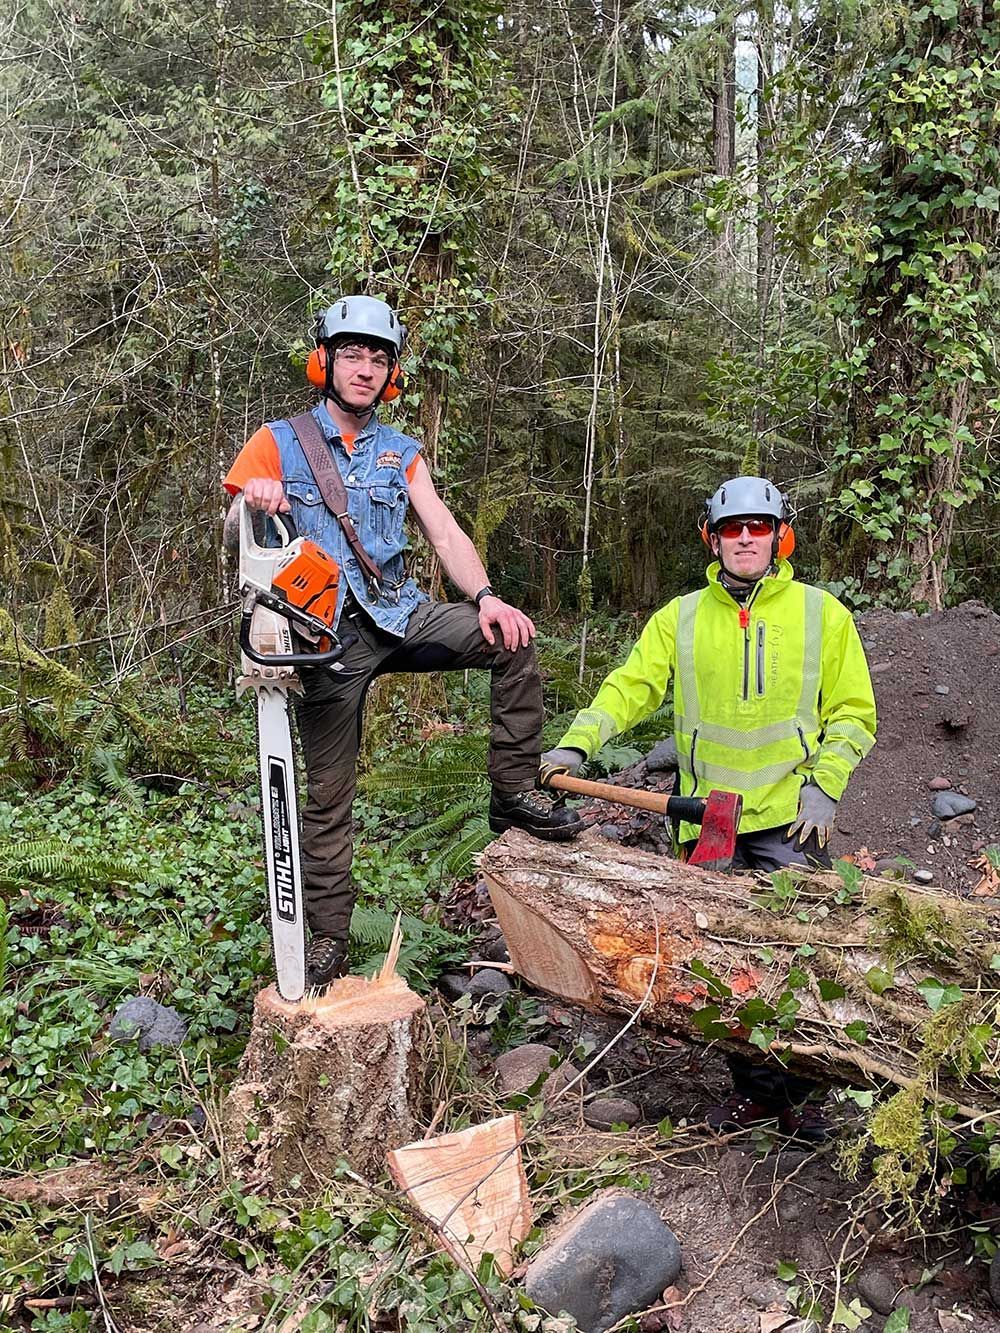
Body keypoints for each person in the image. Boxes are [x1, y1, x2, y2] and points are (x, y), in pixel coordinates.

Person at [223, 295, 580, 987]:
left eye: (378, 359)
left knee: (511, 640)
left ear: (391, 375)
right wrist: (254, 501)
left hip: (400, 614)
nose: (364, 369)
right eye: (352, 354)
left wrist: (486, 597)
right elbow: (231, 531)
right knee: (329, 798)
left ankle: (511, 793)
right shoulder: (278, 438)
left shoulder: (399, 451)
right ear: (323, 361)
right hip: (322, 634)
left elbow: (444, 531)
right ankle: (327, 938)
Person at [542, 475, 877, 1141]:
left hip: (790, 821)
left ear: (782, 535)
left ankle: (801, 1096)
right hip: (707, 822)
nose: (745, 538)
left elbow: (854, 712)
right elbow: (630, 686)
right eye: (732, 528)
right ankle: (752, 1091)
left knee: (797, 959)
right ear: (712, 538)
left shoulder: (823, 616)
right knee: (720, 964)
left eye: (759, 527)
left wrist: (826, 782)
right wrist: (578, 743)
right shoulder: (681, 618)